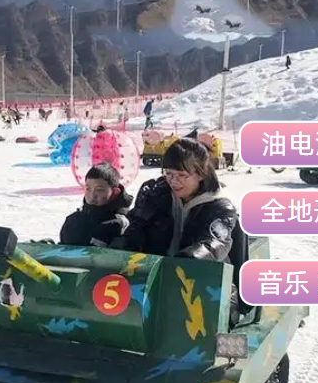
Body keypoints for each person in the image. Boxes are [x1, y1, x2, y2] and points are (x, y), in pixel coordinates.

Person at [115, 137, 252, 325]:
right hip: (154, 278)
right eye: (169, 173)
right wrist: (121, 245)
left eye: (182, 175)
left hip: (200, 282)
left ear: (201, 174)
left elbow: (213, 243)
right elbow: (137, 225)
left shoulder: (220, 207)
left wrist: (185, 261)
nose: (174, 181)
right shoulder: (154, 194)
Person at [59, 162, 133, 247]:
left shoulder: (122, 224)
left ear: (115, 192)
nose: (92, 196)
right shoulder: (75, 220)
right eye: (88, 189)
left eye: (99, 190)